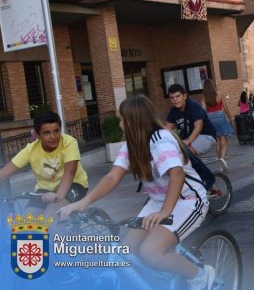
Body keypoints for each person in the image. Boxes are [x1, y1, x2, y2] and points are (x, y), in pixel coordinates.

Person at [57, 96, 215, 290]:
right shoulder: (131, 145)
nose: (120, 124)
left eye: (122, 119)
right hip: (157, 202)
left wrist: (165, 212)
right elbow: (112, 177)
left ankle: (199, 276)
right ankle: (163, 273)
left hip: (188, 201)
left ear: (133, 121)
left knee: (150, 252)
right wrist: (84, 202)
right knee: (127, 252)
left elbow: (177, 174)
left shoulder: (161, 140)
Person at [0, 111, 88, 216]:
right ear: (38, 135)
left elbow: (70, 172)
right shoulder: (30, 150)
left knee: (51, 217)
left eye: (56, 131)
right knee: (27, 220)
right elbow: (4, 173)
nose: (53, 136)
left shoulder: (69, 143)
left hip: (75, 185)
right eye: (47, 133)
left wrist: (59, 195)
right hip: (45, 190)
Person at [165, 84, 216, 158]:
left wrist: (188, 141)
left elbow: (199, 126)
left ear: (184, 96)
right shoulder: (173, 111)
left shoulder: (193, 106)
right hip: (188, 138)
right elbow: (166, 130)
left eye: (178, 96)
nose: (175, 99)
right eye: (172, 97)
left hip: (206, 135)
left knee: (186, 152)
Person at [202, 79, 234, 172]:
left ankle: (220, 162)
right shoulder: (220, 94)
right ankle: (223, 159)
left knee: (217, 141)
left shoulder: (204, 98)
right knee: (224, 140)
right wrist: (230, 118)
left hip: (210, 119)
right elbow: (226, 108)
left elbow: (203, 111)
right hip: (220, 117)